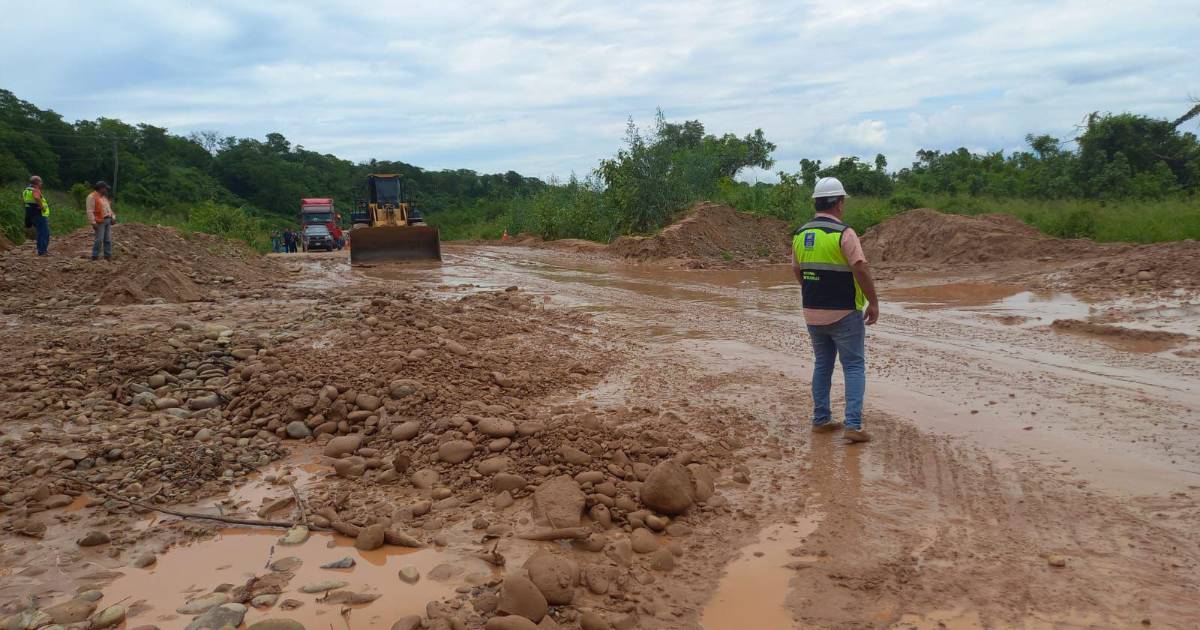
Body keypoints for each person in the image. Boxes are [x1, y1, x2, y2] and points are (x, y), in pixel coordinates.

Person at [791, 177, 881, 443]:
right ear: (839, 203)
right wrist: (872, 301)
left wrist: (814, 294)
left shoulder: (800, 234)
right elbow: (860, 267)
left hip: (812, 312)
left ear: (816, 202)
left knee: (823, 364)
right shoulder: (844, 233)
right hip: (844, 313)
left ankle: (820, 420)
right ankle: (852, 426)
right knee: (853, 366)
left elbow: (798, 271)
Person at [22, 175, 51, 256]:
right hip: (38, 214)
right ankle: (42, 251)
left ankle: (41, 250)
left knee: (41, 232)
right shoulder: (35, 190)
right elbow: (37, 198)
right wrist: (42, 207)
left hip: (30, 214)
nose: (41, 183)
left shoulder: (26, 190)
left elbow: (24, 202)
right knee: (44, 232)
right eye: (41, 182)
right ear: (37, 182)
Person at [86, 181, 116, 260]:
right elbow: (90, 211)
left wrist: (113, 217)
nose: (106, 190)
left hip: (108, 220)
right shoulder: (91, 197)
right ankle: (95, 256)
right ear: (101, 188)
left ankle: (107, 255)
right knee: (99, 239)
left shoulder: (104, 197)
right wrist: (93, 222)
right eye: (105, 188)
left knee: (108, 239)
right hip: (100, 221)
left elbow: (109, 209)